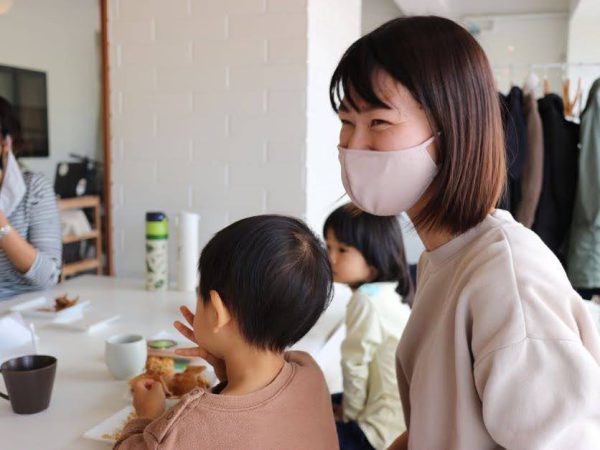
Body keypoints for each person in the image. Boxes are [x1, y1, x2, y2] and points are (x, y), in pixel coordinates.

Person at [330, 16, 600, 450]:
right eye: (346, 121)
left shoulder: (507, 277)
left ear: (451, 128)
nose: (353, 145)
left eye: (378, 122)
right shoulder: (444, 258)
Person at [114, 215, 339, 450]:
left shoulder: (186, 428)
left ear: (218, 312)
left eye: (199, 296)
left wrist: (147, 417)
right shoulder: (309, 371)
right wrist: (228, 376)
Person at [324, 203, 412, 450]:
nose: (331, 258)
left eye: (342, 250)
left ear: (374, 255)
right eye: (328, 246)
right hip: (401, 420)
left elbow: (355, 368)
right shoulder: (389, 292)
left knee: (303, 423)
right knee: (318, 401)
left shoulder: (365, 301)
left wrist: (346, 417)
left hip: (377, 433)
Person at [0, 97, 61, 298]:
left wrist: (2, 226)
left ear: (6, 142)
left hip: (20, 308)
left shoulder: (35, 189)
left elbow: (48, 276)